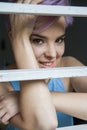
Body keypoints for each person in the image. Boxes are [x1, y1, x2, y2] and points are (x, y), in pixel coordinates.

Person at [0, 0, 87, 130]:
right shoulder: (3, 83)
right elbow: (43, 125)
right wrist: (20, 38)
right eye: (38, 41)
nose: (52, 54)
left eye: (59, 40)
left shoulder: (68, 65)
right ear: (14, 38)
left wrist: (22, 99)